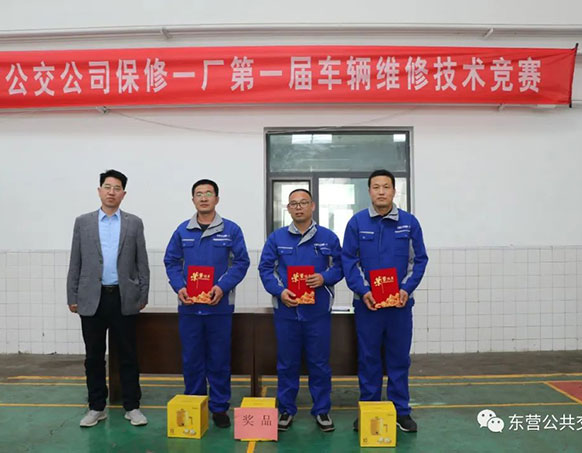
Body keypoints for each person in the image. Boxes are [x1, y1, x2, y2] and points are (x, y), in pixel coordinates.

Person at [342, 169, 428, 433]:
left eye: (386, 187)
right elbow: (350, 261)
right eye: (376, 187)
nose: (381, 192)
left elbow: (418, 260)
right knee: (369, 358)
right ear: (369, 191)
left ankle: (401, 411)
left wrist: (406, 289)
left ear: (394, 191)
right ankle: (369, 409)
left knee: (399, 358)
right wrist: (364, 290)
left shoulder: (409, 223)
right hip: (368, 305)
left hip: (399, 306)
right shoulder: (357, 223)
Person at [164, 179, 250, 428]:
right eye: (199, 194)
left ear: (217, 199)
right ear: (193, 200)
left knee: (219, 359)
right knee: (192, 359)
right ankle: (195, 404)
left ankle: (219, 407)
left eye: (208, 193)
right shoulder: (182, 231)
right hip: (190, 308)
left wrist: (221, 287)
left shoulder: (231, 230)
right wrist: (179, 286)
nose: (203, 198)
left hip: (219, 308)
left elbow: (241, 263)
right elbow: (171, 261)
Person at [67, 169, 150, 427]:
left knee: (128, 354)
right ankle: (96, 407)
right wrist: (72, 295)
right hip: (92, 298)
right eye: (107, 187)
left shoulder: (134, 223)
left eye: (116, 188)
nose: (111, 192)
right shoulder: (83, 222)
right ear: (99, 191)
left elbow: (142, 262)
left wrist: (142, 294)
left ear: (123, 194)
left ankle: (132, 406)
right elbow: (75, 261)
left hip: (123, 297)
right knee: (93, 356)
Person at [258, 188, 343, 432]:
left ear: (312, 206)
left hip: (318, 312)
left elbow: (340, 267)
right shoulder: (277, 238)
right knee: (287, 363)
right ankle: (286, 410)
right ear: (288, 209)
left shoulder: (328, 238)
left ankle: (322, 410)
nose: (298, 207)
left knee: (320, 363)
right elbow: (266, 269)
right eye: (293, 203)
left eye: (303, 202)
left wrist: (324, 278)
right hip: (287, 312)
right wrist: (280, 291)